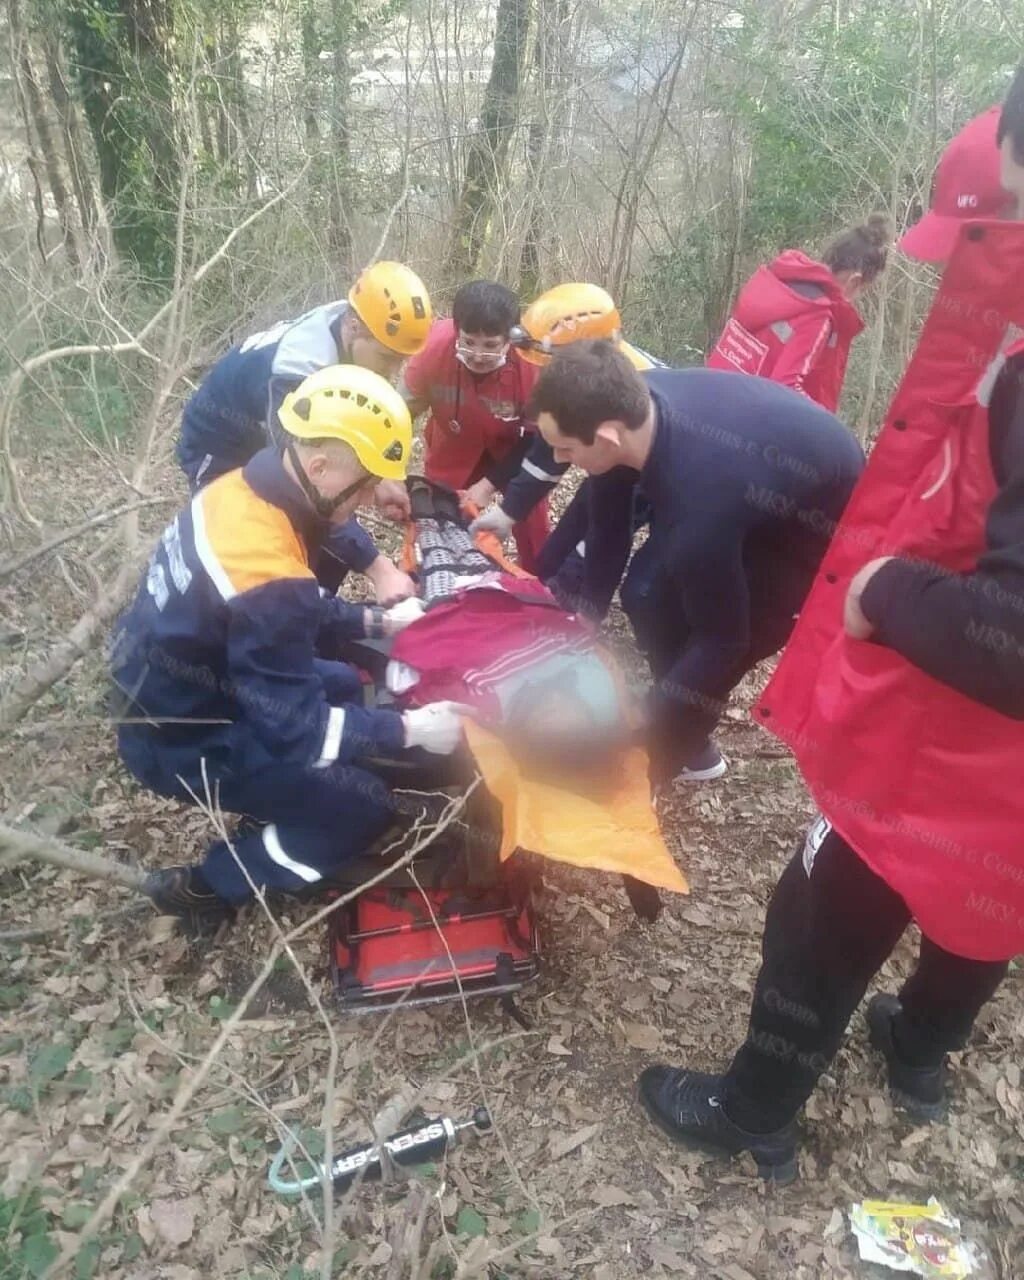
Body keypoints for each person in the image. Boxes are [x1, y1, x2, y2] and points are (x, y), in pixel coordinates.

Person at [635, 75, 1024, 1185]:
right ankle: (919, 1042)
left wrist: (890, 590)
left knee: (833, 886)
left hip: (957, 717)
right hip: (995, 767)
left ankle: (751, 1108)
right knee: (993, 874)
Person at [111, 365, 471, 933]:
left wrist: (377, 622)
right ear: (321, 466)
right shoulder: (266, 565)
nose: (370, 501)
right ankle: (218, 883)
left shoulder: (240, 489)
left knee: (345, 683)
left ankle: (291, 797)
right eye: (365, 484)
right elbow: (295, 726)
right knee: (365, 804)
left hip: (183, 687)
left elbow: (289, 608)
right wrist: (414, 731)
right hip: (182, 738)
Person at [527, 340, 864, 783]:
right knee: (644, 595)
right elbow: (608, 529)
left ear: (607, 438)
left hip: (816, 521)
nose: (559, 460)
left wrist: (640, 722)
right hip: (747, 473)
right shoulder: (622, 404)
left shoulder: (699, 503)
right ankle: (672, 710)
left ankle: (673, 756)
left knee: (721, 645)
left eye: (566, 450)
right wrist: (587, 617)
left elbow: (724, 640)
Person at [176, 261, 433, 602]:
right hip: (221, 444)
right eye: (387, 358)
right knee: (246, 549)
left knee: (318, 540)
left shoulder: (347, 322)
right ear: (354, 326)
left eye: (401, 360)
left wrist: (380, 478)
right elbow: (303, 485)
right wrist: (378, 567)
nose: (392, 372)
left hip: (267, 433)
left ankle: (310, 613)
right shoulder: (299, 370)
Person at [469, 283, 663, 547]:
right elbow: (549, 450)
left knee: (594, 554)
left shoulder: (635, 388)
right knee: (560, 551)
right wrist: (508, 513)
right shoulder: (581, 377)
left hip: (652, 476)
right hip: (607, 464)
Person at [399, 280, 547, 572]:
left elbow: (537, 441)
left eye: (490, 345)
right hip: (452, 444)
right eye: (468, 342)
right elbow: (396, 416)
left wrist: (488, 485)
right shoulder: (431, 349)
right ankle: (438, 582)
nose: (478, 356)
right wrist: (388, 473)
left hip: (512, 449)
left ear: (510, 339)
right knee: (438, 521)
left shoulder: (532, 363)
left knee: (532, 519)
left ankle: (538, 582)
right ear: (456, 331)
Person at [706, 215, 893, 411]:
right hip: (740, 420)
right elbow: (787, 388)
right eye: (862, 290)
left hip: (710, 397)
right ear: (855, 281)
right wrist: (826, 425)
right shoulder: (816, 314)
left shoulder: (774, 280)